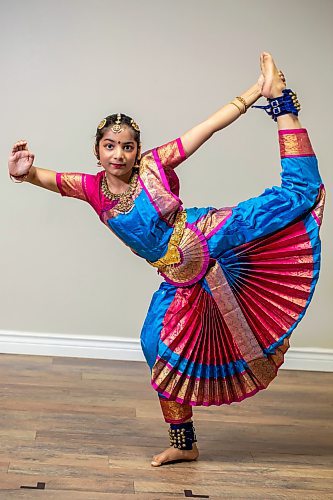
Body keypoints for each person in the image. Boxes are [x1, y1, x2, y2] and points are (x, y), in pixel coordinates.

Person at [8, 53, 325, 467]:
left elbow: (207, 127)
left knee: (293, 199)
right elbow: (47, 179)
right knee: (153, 343)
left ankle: (282, 103)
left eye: (127, 146)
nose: (118, 154)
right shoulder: (91, 188)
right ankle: (183, 441)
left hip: (207, 234)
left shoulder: (155, 166)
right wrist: (24, 173)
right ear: (97, 151)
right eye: (109, 146)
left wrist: (255, 94)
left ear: (137, 150)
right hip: (177, 275)